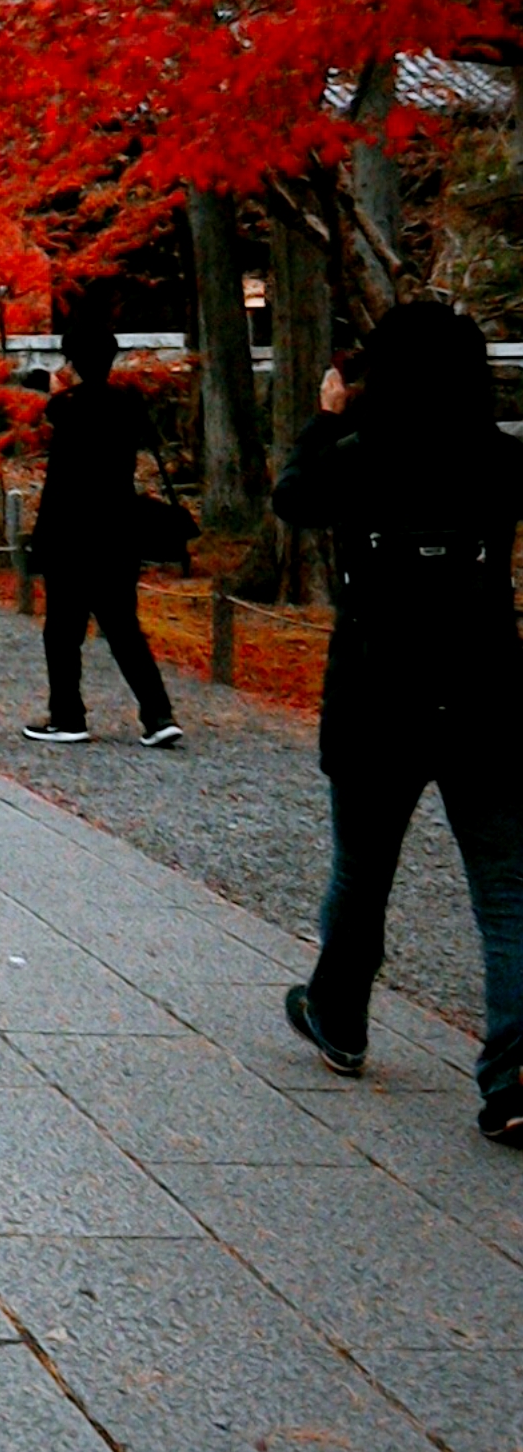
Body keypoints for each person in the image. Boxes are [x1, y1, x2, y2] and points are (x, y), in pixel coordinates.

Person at [271, 303, 523, 1144]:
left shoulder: (355, 459)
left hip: (378, 693)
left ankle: (339, 1016)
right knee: (507, 890)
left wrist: (327, 413)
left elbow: (292, 497)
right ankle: (514, 1073)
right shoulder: (502, 460)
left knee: (363, 869)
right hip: (486, 692)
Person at [21, 320, 182, 748]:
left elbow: (62, 423)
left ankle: (68, 716)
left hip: (71, 538)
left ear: (73, 363)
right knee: (123, 627)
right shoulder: (128, 406)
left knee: (62, 631)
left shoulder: (69, 409)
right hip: (117, 534)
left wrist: (62, 391)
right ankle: (158, 713)